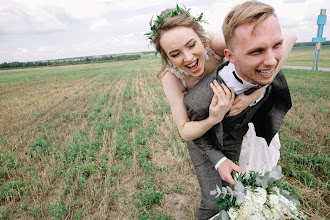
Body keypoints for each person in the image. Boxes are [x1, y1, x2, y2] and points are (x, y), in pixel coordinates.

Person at [147, 2, 296, 219]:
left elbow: (280, 43)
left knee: (251, 175)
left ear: (202, 38)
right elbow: (185, 130)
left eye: (191, 45)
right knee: (215, 199)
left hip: (244, 118)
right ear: (166, 57)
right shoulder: (172, 78)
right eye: (175, 54)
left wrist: (253, 95)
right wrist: (213, 118)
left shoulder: (215, 44)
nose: (188, 58)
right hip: (205, 130)